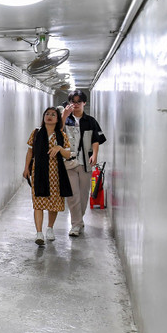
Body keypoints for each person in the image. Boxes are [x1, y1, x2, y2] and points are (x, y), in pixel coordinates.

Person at [22, 107, 74, 246]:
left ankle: (50, 227)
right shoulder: (36, 133)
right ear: (43, 117)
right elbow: (30, 152)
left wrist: (59, 148)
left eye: (53, 115)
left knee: (53, 204)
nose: (49, 116)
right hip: (39, 172)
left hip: (56, 174)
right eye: (47, 114)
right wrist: (26, 168)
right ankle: (39, 233)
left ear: (57, 119)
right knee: (38, 203)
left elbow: (68, 154)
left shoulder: (61, 136)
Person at [61, 90, 107, 237]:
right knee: (73, 195)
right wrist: (64, 116)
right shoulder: (65, 119)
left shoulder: (90, 121)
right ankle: (76, 225)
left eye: (78, 102)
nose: (75, 105)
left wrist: (94, 154)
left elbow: (96, 140)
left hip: (86, 163)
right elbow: (56, 133)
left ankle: (78, 221)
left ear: (84, 103)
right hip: (68, 162)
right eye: (73, 102)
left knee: (83, 194)